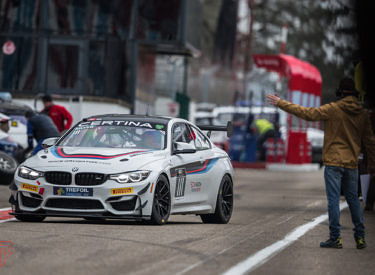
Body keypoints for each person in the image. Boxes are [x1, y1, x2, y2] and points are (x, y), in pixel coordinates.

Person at [267, 77, 375, 249]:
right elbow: (370, 141)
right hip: (352, 163)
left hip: (333, 162)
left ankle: (335, 238)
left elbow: (307, 113)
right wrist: (372, 166)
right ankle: (360, 238)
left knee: (333, 200)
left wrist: (281, 103)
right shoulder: (362, 114)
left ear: (340, 93)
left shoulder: (333, 109)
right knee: (354, 199)